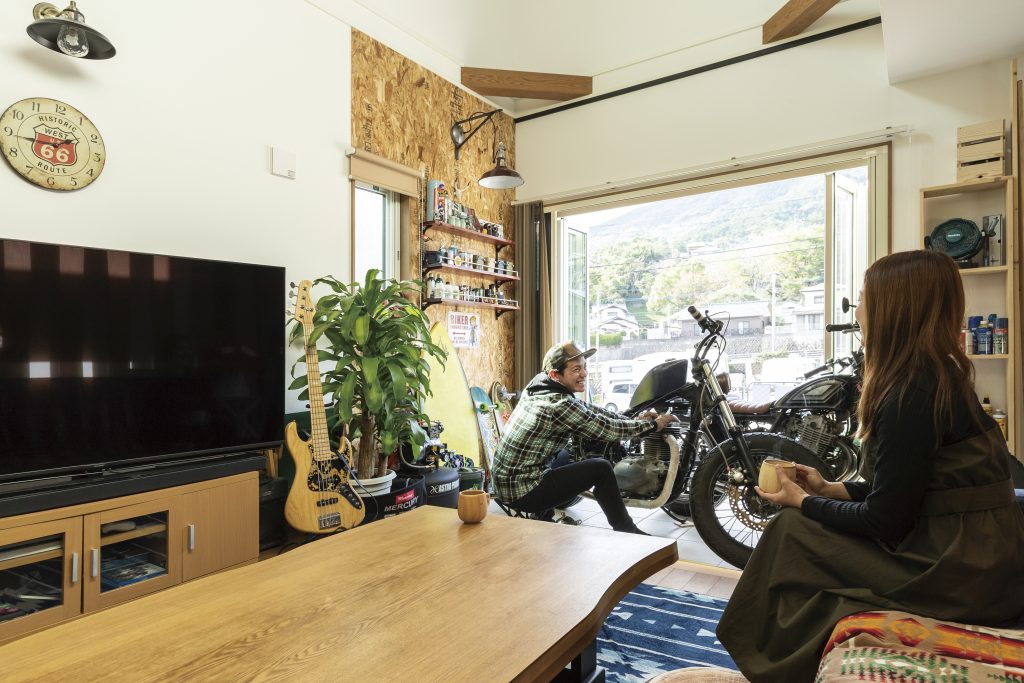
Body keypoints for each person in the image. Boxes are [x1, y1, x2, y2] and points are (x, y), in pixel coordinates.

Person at [717, 250, 1024, 682]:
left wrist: (803, 502)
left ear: (892, 309)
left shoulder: (910, 394)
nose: (857, 310)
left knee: (791, 530)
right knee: (799, 528)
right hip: (980, 552)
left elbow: (886, 520)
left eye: (863, 298)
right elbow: (917, 489)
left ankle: (772, 663)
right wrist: (828, 489)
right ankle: (779, 656)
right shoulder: (938, 376)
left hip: (959, 568)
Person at [490, 341, 677, 534]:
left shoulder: (537, 387)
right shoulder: (559, 404)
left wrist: (632, 419)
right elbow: (607, 429)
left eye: (584, 367)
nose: (584, 374)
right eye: (576, 369)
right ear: (555, 374)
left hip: (503, 482)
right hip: (521, 492)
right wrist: (653, 425)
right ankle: (626, 529)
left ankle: (543, 515)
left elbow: (591, 410)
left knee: (565, 454)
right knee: (601, 468)